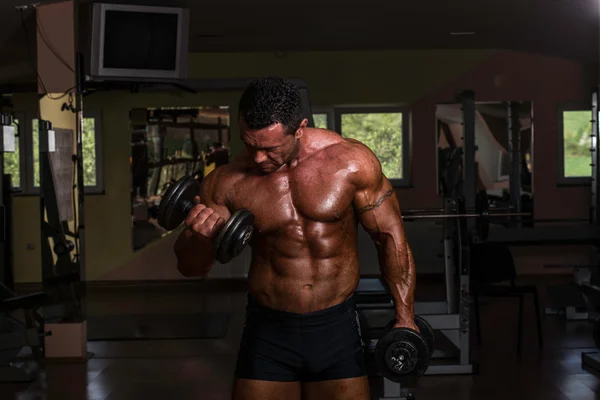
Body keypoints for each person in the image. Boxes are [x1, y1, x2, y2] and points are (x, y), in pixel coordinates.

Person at [174, 77, 417, 400]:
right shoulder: (226, 182)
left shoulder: (351, 164)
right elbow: (192, 268)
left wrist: (405, 317)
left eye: (270, 148)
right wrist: (198, 238)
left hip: (336, 327)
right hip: (268, 330)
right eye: (250, 144)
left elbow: (390, 237)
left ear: (300, 128)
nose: (259, 159)